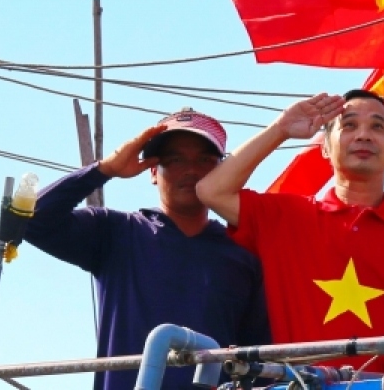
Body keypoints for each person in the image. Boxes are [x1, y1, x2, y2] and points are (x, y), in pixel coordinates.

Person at [24, 109, 270, 390]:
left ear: (221, 172)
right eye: (174, 160)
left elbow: (258, 360)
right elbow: (32, 219)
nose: (190, 170)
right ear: (153, 171)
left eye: (204, 159)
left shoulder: (244, 253)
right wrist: (105, 168)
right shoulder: (115, 232)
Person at [196, 90, 384, 373]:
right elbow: (211, 190)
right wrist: (281, 129)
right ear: (325, 148)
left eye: (377, 126)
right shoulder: (284, 217)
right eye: (349, 125)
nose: (364, 135)